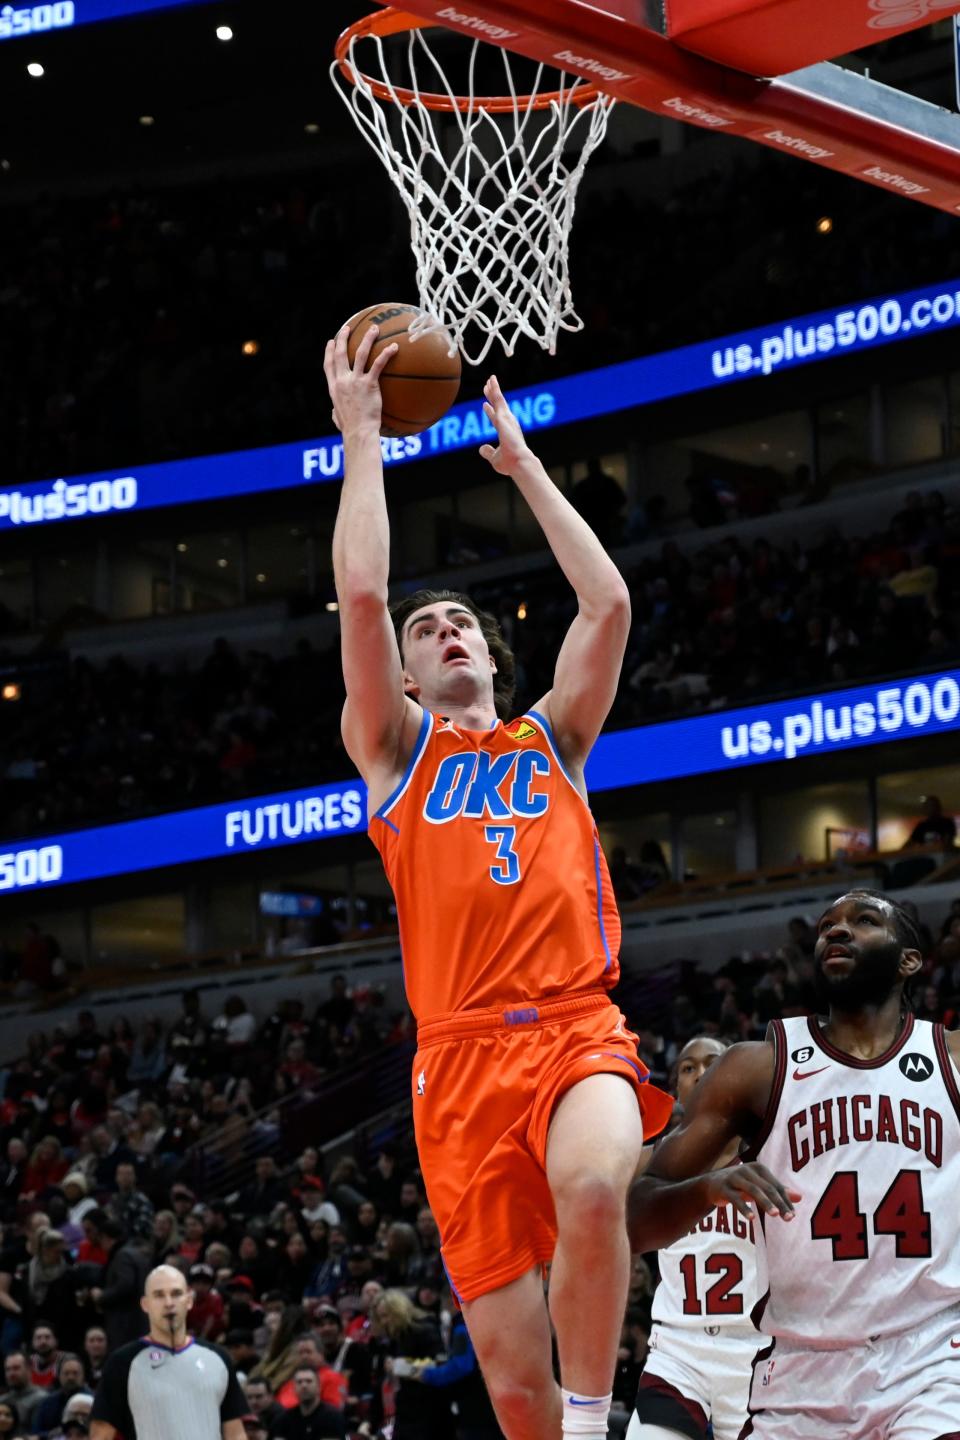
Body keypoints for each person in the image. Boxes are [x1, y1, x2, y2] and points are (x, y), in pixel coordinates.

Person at [325, 326, 671, 1440]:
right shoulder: (394, 754)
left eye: (462, 620)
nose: (444, 631)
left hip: (576, 1027)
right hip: (460, 1061)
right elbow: (365, 595)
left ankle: (590, 1422)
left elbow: (608, 607)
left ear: (488, 653)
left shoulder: (553, 741)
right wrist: (363, 437)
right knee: (511, 1392)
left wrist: (525, 470)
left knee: (591, 1188)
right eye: (429, 631)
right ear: (410, 673)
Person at [627, 889, 960, 1440]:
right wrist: (706, 1190)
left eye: (863, 920)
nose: (837, 930)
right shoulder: (754, 1068)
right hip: (801, 1367)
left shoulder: (951, 1059)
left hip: (929, 1357)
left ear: (909, 959)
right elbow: (637, 1219)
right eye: (828, 924)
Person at [628, 1037, 762, 1440]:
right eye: (688, 1067)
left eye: (713, 1063)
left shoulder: (776, 1152)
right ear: (675, 1090)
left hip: (759, 1351)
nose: (702, 1073)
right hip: (678, 1352)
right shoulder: (647, 1161)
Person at [90, 1264, 248, 1440]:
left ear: (189, 1300)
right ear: (145, 1304)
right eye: (159, 1295)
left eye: (176, 1294)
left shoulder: (218, 1358)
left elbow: (235, 1432)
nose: (169, 1303)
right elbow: (101, 1434)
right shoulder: (122, 1363)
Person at [270, 1367, 347, 1440]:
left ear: (319, 1387)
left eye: (309, 1381)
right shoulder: (282, 1420)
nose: (304, 1385)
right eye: (299, 1382)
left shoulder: (332, 1418)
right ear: (293, 1388)